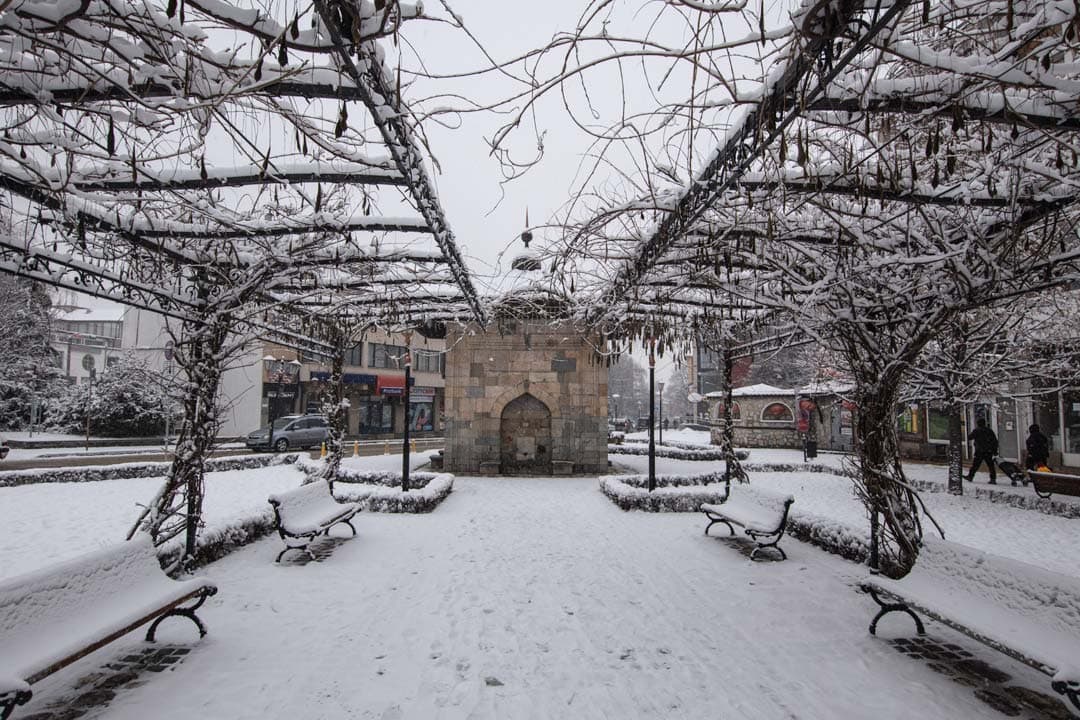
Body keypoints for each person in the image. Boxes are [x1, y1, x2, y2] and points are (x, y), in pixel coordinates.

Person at [966, 418, 998, 484]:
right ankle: (993, 479)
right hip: (988, 451)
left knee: (975, 465)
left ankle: (970, 476)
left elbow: (969, 437)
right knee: (990, 465)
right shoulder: (989, 431)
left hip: (979, 451)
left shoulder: (976, 430)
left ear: (978, 424)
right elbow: (995, 441)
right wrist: (994, 451)